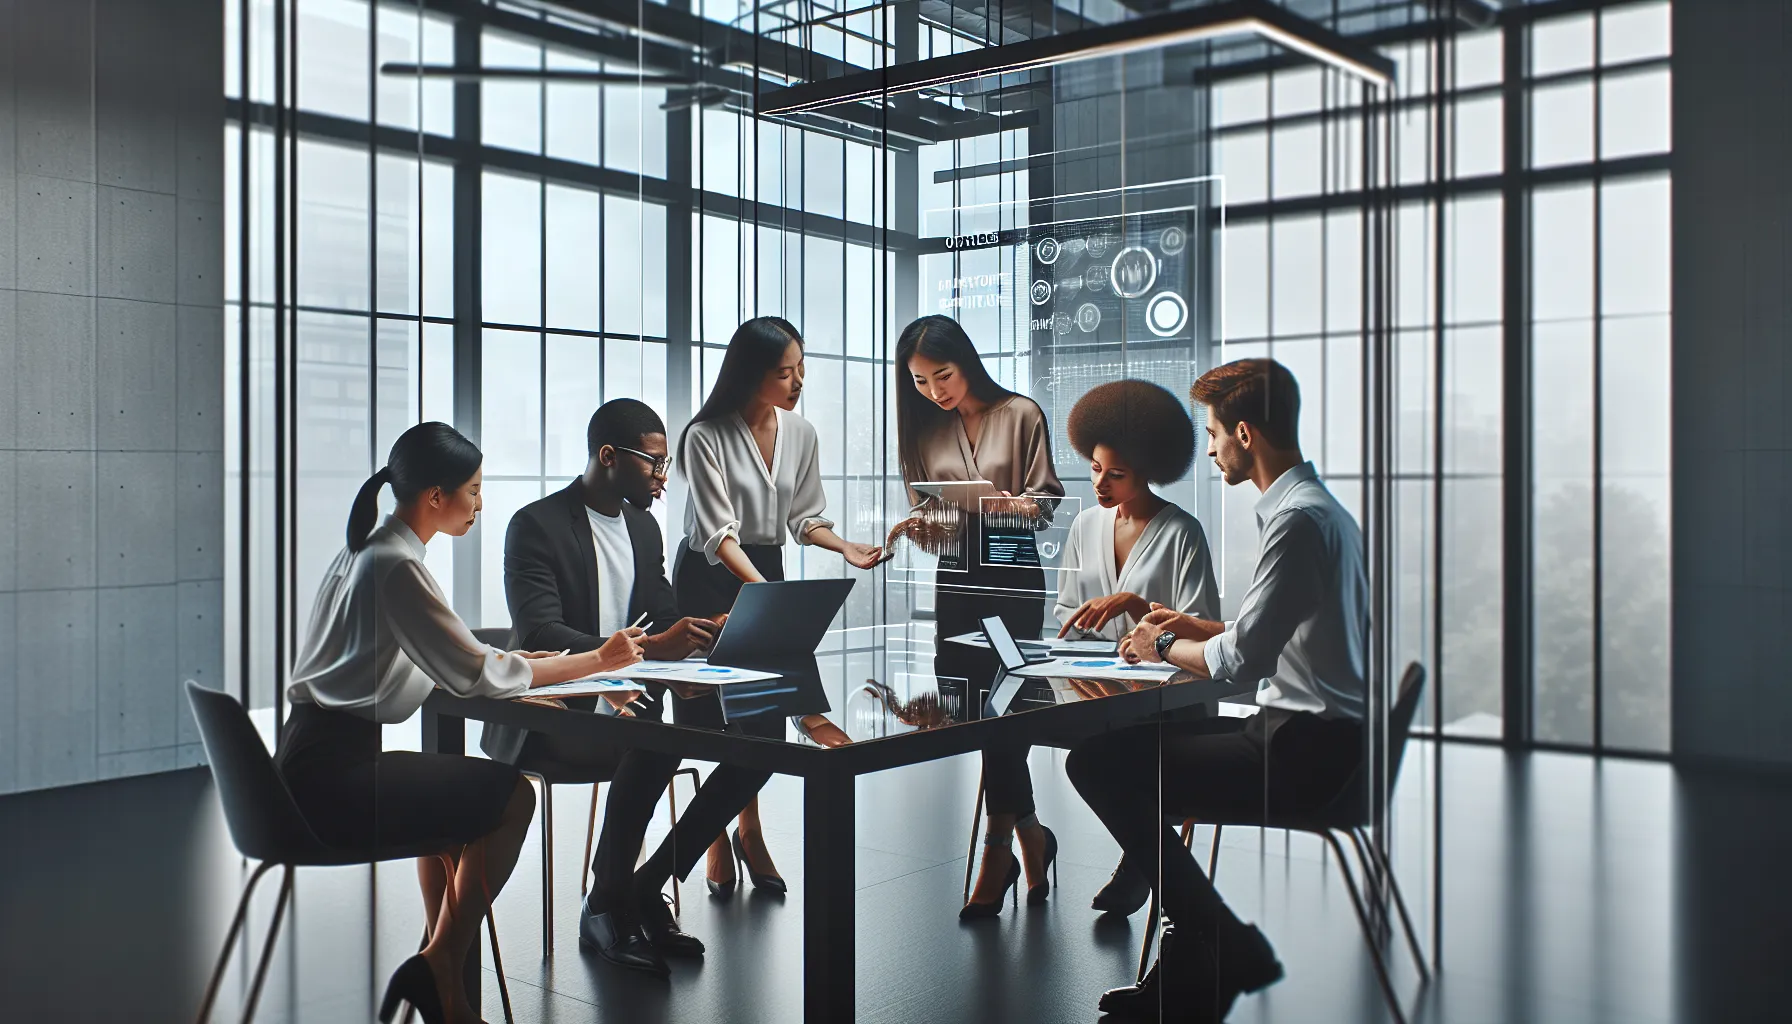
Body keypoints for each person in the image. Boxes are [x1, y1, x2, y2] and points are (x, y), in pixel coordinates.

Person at [279, 422, 645, 1024]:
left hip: (308, 764)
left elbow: (438, 655)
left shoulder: (368, 551)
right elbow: (473, 674)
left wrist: (520, 662)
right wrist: (599, 659)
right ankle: (440, 962)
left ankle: (445, 991)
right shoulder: (397, 567)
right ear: (434, 497)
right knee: (511, 797)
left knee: (456, 811)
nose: (480, 503)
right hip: (332, 785)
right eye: (473, 490)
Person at [1065, 358, 1369, 1022]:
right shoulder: (1318, 510)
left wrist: (1162, 644)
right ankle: (1204, 942)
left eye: (1213, 434)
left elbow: (1244, 663)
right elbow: (1269, 633)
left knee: (1095, 763)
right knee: (1131, 753)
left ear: (1245, 434)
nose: (1208, 448)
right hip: (1323, 740)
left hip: (1304, 753)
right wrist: (1198, 624)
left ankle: (1216, 939)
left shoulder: (1294, 521)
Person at [480, 399, 775, 977]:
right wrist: (649, 653)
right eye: (654, 464)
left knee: (759, 743)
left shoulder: (642, 526)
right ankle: (609, 904)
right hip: (558, 709)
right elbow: (542, 630)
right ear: (608, 456)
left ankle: (641, 886)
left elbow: (661, 612)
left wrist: (695, 639)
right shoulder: (535, 524)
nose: (664, 478)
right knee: (656, 744)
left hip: (636, 700)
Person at [676, 316, 883, 893]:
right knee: (708, 717)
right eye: (783, 372)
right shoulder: (705, 435)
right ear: (751, 374)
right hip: (708, 575)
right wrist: (763, 592)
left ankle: (749, 827)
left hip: (764, 567)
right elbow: (718, 535)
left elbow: (804, 519)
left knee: (761, 720)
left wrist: (845, 548)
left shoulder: (801, 433)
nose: (796, 383)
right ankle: (716, 837)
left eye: (800, 371)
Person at [888, 314, 1066, 919]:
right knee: (974, 711)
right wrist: (921, 526)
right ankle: (1030, 836)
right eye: (919, 381)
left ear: (966, 361)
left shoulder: (1020, 414)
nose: (935, 392)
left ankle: (999, 848)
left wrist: (998, 503)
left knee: (1006, 709)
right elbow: (935, 523)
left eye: (943, 375)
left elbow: (1044, 507)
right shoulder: (922, 429)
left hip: (1013, 574)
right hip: (956, 579)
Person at [1051, 379, 1221, 918]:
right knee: (1011, 731)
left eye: (1116, 474)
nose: (1100, 483)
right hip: (1100, 684)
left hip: (1168, 696)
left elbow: (1203, 631)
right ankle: (1015, 840)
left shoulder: (1181, 533)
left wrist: (1136, 607)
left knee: (1127, 751)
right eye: (1096, 468)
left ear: (1148, 470)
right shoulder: (1084, 525)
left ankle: (1139, 862)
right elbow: (1065, 614)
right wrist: (1081, 635)